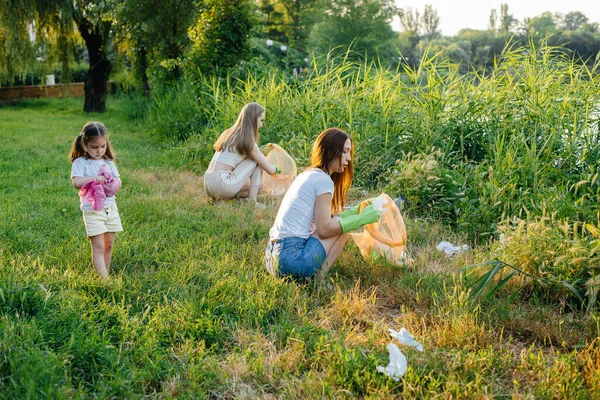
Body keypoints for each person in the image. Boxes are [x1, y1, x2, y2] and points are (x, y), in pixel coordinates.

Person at [265, 127, 381, 279]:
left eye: (349, 153)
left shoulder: (307, 174)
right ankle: (320, 280)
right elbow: (324, 229)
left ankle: (313, 277)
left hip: (271, 259)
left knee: (338, 222)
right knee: (342, 230)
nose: (349, 158)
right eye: (345, 152)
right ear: (329, 151)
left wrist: (356, 211)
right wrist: (364, 218)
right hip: (292, 261)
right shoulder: (324, 180)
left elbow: (325, 219)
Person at [70, 122, 122, 279]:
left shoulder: (108, 163)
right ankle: (105, 281)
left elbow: (118, 180)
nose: (99, 151)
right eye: (94, 147)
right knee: (98, 246)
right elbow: (76, 182)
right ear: (85, 145)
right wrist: (96, 179)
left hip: (110, 208)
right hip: (92, 210)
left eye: (103, 146)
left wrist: (114, 186)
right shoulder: (81, 163)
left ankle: (104, 274)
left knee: (108, 245)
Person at [204, 102, 280, 205]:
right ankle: (252, 203)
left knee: (256, 188)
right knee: (257, 161)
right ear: (253, 120)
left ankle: (220, 199)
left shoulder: (228, 133)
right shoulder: (249, 143)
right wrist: (276, 168)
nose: (261, 125)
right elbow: (270, 170)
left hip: (208, 183)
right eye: (261, 120)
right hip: (222, 183)